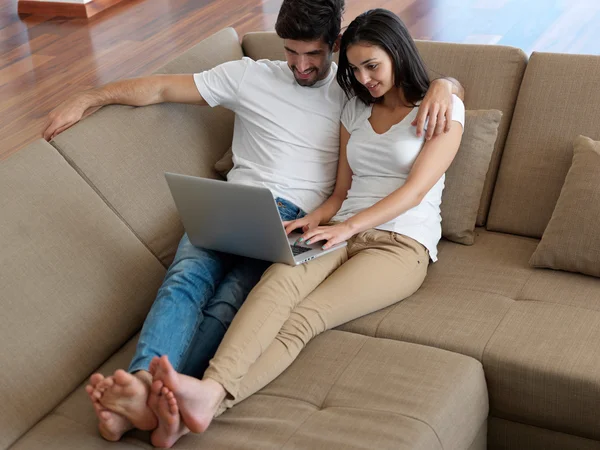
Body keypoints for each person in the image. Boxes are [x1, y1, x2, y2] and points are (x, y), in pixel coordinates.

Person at [43, 0, 463, 446]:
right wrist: (90, 95)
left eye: (315, 55)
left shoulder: (373, 91)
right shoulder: (300, 87)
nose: (303, 66)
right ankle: (150, 388)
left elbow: (418, 168)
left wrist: (444, 83)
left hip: (349, 229)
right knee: (202, 282)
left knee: (257, 307)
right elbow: (165, 89)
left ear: (333, 46)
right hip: (276, 211)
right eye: (291, 52)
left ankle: (185, 401)